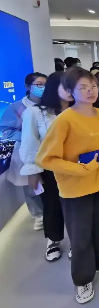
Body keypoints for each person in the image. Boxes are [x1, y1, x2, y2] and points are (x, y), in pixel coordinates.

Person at [36, 67, 99, 305]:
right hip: (75, 189)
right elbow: (45, 159)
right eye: (83, 87)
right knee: (80, 237)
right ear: (70, 91)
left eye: (93, 86)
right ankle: (82, 279)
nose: (90, 91)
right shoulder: (64, 120)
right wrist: (80, 169)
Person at [20, 72, 73, 261]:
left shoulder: (80, 110)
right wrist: (32, 170)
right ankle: (53, 239)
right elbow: (30, 142)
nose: (71, 91)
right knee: (52, 206)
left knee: (76, 206)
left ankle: (77, 240)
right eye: (66, 86)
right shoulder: (35, 113)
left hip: (75, 167)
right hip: (50, 169)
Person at [0, 72, 47, 230]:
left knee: (49, 183)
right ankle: (38, 215)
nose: (43, 88)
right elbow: (6, 130)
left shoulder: (51, 104)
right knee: (31, 186)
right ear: (28, 87)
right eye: (39, 84)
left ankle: (53, 211)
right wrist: (29, 136)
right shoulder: (17, 107)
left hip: (47, 151)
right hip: (25, 151)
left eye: (45, 84)